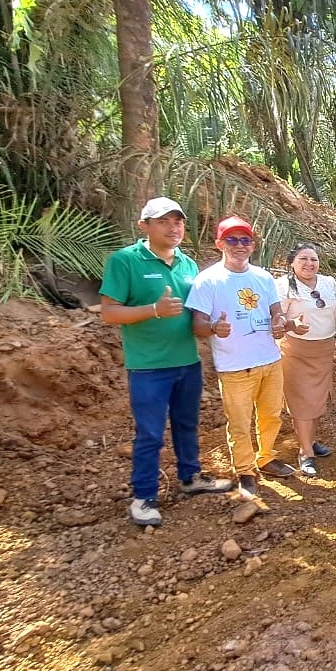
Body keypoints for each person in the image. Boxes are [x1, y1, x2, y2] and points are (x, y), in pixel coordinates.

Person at [99, 197, 233, 527]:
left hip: (187, 362)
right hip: (147, 367)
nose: (174, 227)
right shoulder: (125, 261)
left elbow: (197, 314)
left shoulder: (187, 265)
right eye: (164, 221)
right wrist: (153, 310)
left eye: (178, 222)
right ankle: (144, 497)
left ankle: (190, 477)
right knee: (150, 434)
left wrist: (213, 327)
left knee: (188, 424)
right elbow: (109, 313)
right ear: (144, 225)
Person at [186, 215, 291, 500]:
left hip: (269, 359)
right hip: (235, 367)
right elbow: (197, 325)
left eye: (245, 240)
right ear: (219, 243)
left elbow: (275, 311)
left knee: (271, 416)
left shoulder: (263, 277)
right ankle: (245, 470)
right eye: (232, 240)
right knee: (240, 423)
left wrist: (279, 322)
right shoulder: (208, 281)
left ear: (253, 245)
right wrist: (213, 328)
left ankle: (266, 457)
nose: (239, 245)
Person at [276, 243, 336, 478]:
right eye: (303, 259)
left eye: (313, 259)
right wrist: (292, 324)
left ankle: (310, 441)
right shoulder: (283, 286)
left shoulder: (328, 283)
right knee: (302, 402)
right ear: (292, 263)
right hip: (295, 351)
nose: (309, 264)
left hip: (323, 350)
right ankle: (305, 453)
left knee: (317, 401)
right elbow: (276, 317)